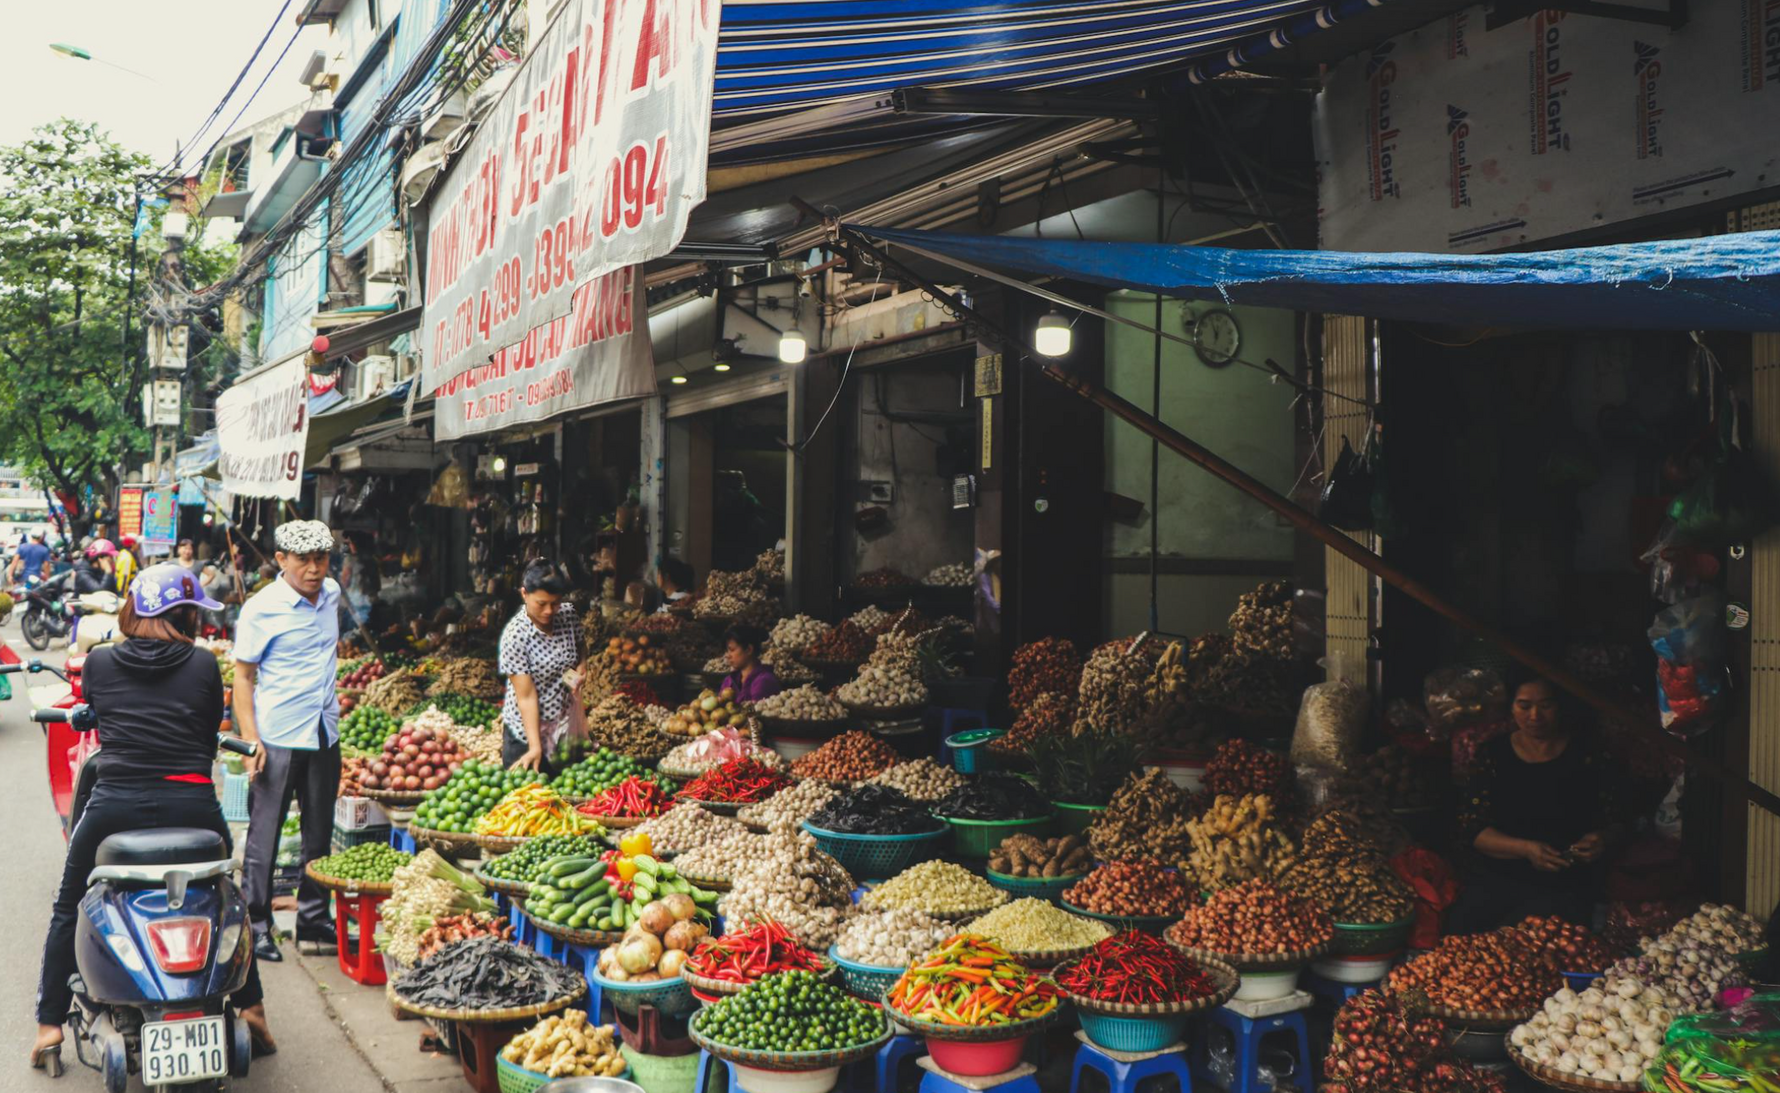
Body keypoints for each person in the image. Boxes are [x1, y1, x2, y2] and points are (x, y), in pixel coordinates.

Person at [30, 563, 275, 1072]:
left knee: (68, 902)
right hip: (193, 806)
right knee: (230, 894)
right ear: (183, 614)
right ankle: (251, 1008)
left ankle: (49, 1025)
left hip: (114, 806)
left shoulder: (98, 663)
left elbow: (92, 711)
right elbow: (210, 728)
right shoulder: (205, 665)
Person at [233, 520, 342, 961]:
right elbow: (242, 678)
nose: (314, 569)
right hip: (276, 736)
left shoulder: (332, 594)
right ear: (281, 560)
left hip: (323, 732)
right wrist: (250, 740)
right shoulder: (262, 609)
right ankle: (256, 925)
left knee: (319, 834)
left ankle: (314, 919)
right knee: (265, 836)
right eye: (304, 560)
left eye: (321, 559)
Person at [1449, 671, 1621, 933]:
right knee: (1460, 934)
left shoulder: (1589, 755)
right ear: (1511, 707)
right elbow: (1473, 829)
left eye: (1546, 705)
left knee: (1528, 939)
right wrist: (1527, 849)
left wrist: (1600, 840)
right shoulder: (1492, 755)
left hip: (1566, 883)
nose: (1534, 716)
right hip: (1500, 877)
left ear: (1560, 706)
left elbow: (1617, 821)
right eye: (1524, 706)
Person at [498, 563, 586, 773]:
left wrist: (582, 667)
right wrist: (535, 747)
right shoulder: (515, 636)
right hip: (525, 736)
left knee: (564, 798)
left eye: (555, 603)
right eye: (541, 603)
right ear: (524, 594)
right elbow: (526, 697)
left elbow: (581, 645)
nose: (549, 611)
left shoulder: (568, 616)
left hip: (562, 732)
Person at [720, 624, 782, 704]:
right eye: (727, 651)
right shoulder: (729, 681)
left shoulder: (764, 682)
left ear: (749, 649)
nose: (727, 655)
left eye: (732, 650)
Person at [339, 532, 379, 628]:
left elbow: (345, 583)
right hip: (371, 602)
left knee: (349, 631)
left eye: (350, 543)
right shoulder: (373, 560)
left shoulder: (349, 560)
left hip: (355, 603)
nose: (349, 545)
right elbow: (377, 585)